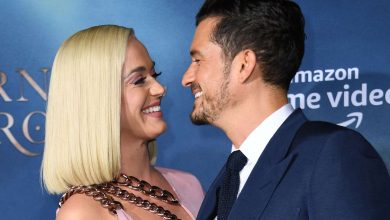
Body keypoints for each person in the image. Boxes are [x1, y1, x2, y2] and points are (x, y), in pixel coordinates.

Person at [181, 0, 390, 219]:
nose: (186, 78)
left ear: (244, 65)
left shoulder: (334, 155)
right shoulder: (228, 179)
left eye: (198, 60)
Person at [41, 25, 204, 220]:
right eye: (138, 81)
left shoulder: (188, 184)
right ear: (97, 100)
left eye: (154, 75)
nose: (159, 89)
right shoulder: (83, 212)